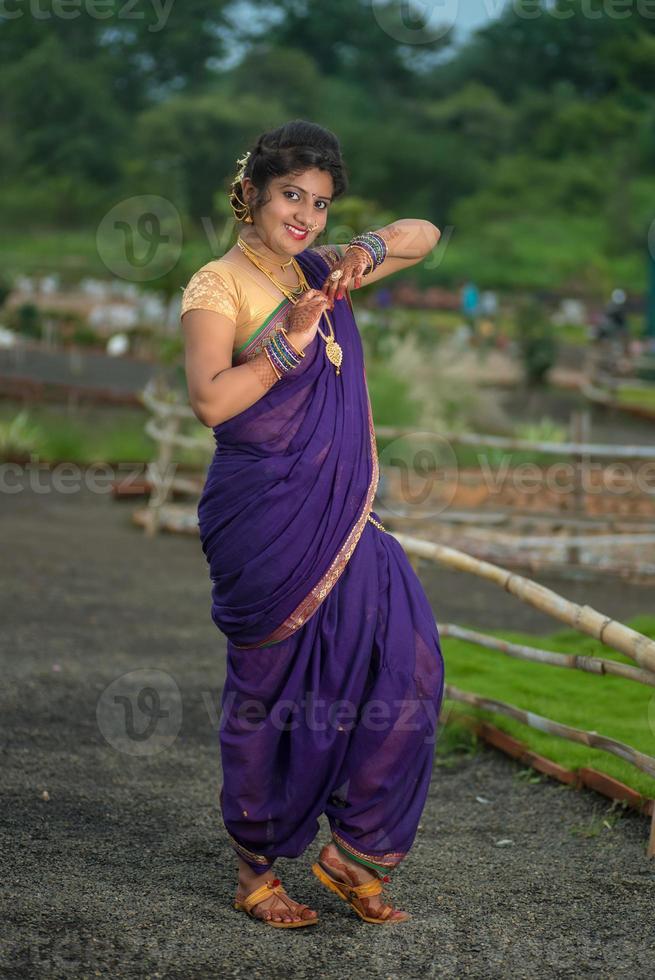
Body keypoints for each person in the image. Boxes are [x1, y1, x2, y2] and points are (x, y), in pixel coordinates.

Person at [180, 120, 445, 928]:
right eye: (292, 195)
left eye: (321, 204)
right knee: (272, 692)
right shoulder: (215, 286)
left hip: (340, 511)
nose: (305, 215)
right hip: (263, 512)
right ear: (253, 192)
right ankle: (255, 871)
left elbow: (425, 235)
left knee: (410, 663)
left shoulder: (322, 268)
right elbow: (211, 401)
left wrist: (360, 252)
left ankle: (352, 851)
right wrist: (290, 343)